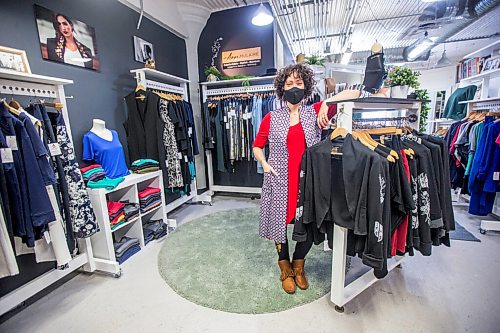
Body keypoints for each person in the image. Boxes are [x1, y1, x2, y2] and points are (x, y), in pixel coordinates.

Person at [252, 63, 332, 294]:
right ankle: (284, 266)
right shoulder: (271, 117)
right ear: (281, 88)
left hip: (307, 181)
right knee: (279, 225)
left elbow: (353, 95)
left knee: (306, 223)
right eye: (289, 84)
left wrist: (327, 102)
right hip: (278, 180)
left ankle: (299, 264)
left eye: (298, 83)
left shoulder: (315, 111)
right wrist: (265, 165)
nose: (294, 87)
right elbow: (257, 146)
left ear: (306, 86)